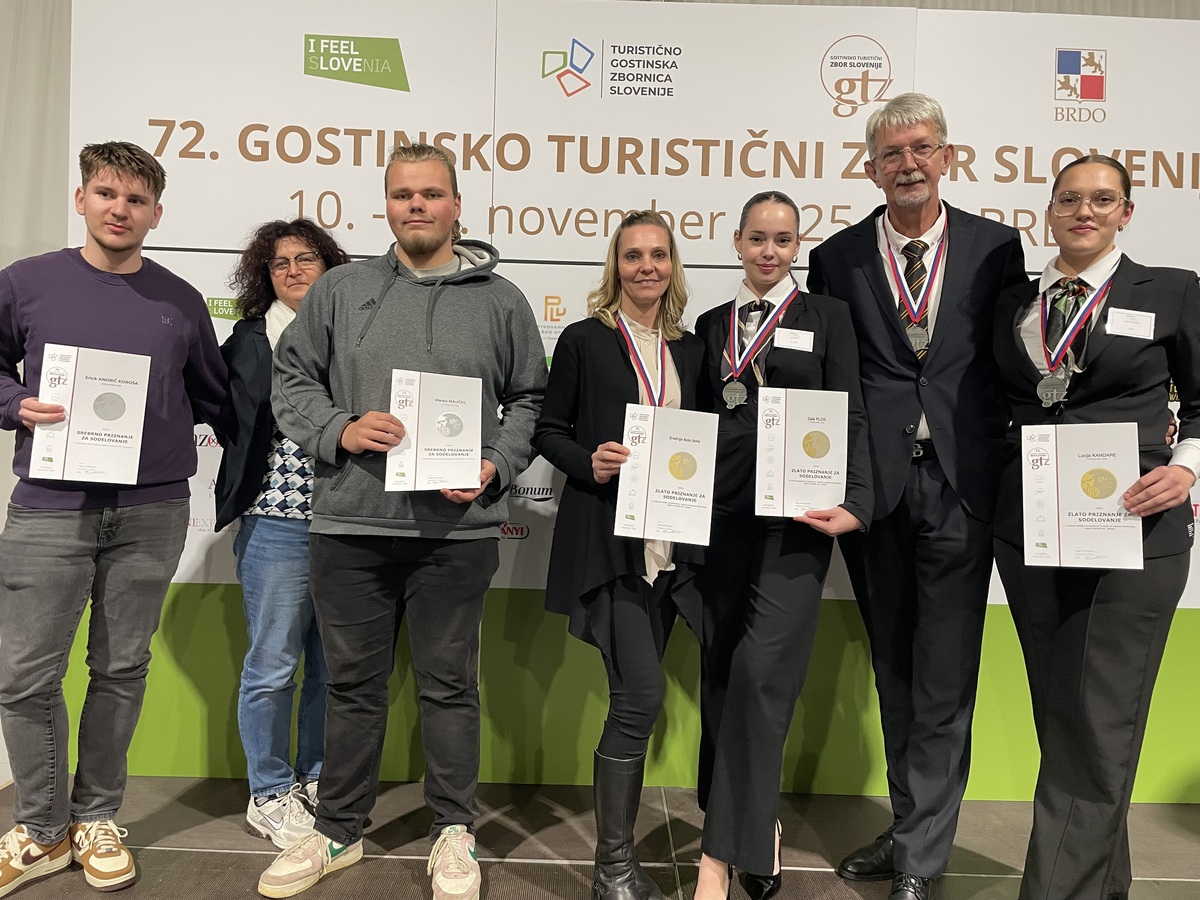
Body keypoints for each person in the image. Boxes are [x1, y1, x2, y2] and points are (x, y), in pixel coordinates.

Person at [258, 143, 546, 900]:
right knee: (353, 686)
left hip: (456, 531)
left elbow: (531, 399)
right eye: (402, 194)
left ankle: (454, 831)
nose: (417, 205)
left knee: (450, 687)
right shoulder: (340, 289)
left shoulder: (502, 300)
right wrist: (341, 429)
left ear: (456, 205)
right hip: (351, 526)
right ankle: (337, 830)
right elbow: (292, 379)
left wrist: (496, 462)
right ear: (386, 205)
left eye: (431, 194)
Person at [807, 93, 1027, 900]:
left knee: (944, 675)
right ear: (871, 168)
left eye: (922, 148)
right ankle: (911, 829)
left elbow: (1012, 361)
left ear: (947, 157)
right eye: (892, 154)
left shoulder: (996, 247)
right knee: (894, 670)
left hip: (963, 485)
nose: (909, 165)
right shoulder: (836, 258)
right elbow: (831, 378)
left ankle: (923, 860)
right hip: (875, 491)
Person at [0, 141, 231, 895]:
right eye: (106, 194)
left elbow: (218, 397)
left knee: (121, 669)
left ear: (156, 214)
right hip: (49, 507)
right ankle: (42, 830)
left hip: (151, 511)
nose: (119, 210)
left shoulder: (180, 301)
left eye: (136, 200)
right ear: (82, 200)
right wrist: (15, 403)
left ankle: (97, 817)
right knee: (26, 675)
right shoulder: (26, 283)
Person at [990, 155, 1198, 900]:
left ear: (1126, 213)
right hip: (1033, 532)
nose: (1085, 210)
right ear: (1049, 212)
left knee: (1099, 721)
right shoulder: (1013, 301)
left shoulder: (1171, 290)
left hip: (1134, 531)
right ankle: (1103, 886)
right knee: (1065, 723)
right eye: (1070, 199)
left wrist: (1187, 466)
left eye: (1103, 199)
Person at [692, 191, 873, 900]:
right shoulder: (711, 324)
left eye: (784, 240)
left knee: (762, 678)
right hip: (720, 518)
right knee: (720, 675)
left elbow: (852, 409)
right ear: (737, 241)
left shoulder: (828, 317)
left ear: (798, 246)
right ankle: (751, 824)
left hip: (796, 521)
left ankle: (716, 856)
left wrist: (857, 500)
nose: (769, 251)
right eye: (758, 238)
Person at [533, 210, 707, 900]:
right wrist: (590, 461)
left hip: (674, 545)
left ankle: (618, 864)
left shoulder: (691, 349)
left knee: (633, 696)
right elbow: (548, 430)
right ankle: (613, 868)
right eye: (632, 255)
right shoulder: (585, 339)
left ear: (672, 265)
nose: (646, 266)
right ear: (616, 266)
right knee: (640, 695)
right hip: (610, 541)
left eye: (658, 254)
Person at [215, 219, 350, 848]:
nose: (293, 271)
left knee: (331, 667)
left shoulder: (355, 332)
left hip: (348, 521)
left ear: (329, 267)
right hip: (275, 522)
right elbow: (220, 409)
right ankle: (268, 792)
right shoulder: (248, 339)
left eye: (306, 258)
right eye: (279, 263)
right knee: (272, 665)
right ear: (265, 275)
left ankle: (317, 776)